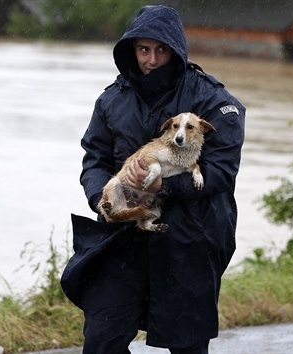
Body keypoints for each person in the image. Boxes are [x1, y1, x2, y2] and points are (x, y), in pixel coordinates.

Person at [61, 5, 245, 354]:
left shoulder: (211, 99)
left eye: (161, 50)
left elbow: (223, 171)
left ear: (175, 50)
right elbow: (94, 160)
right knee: (102, 340)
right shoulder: (111, 100)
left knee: (188, 345)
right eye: (144, 49)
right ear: (132, 49)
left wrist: (166, 186)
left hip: (189, 239)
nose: (152, 59)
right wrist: (107, 199)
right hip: (123, 237)